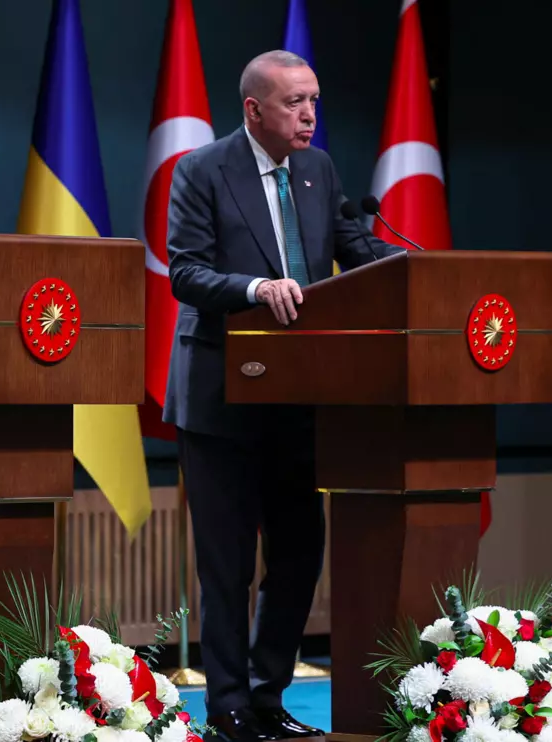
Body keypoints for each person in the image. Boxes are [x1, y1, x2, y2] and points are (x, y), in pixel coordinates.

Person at [162, 51, 404, 741]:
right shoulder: (201, 170)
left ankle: (268, 697)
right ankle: (229, 707)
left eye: (314, 101)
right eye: (295, 102)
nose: (308, 115)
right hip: (220, 399)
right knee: (228, 566)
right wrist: (252, 289)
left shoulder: (317, 168)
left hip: (300, 397)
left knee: (298, 555)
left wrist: (425, 272)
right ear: (253, 110)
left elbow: (356, 250)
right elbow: (185, 271)